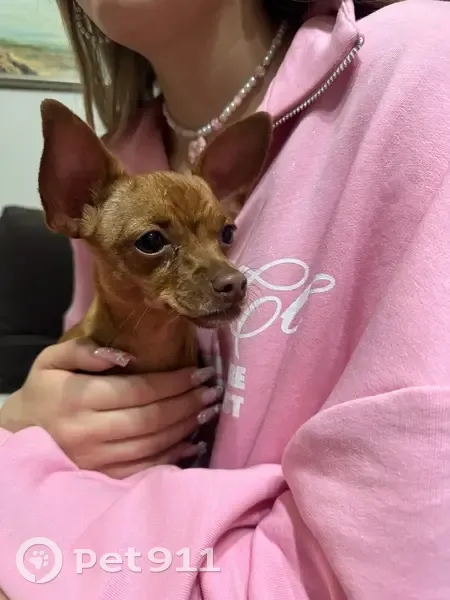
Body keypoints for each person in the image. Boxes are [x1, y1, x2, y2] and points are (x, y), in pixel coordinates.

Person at [1, 0, 450, 597]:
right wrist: (20, 421)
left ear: (235, 196)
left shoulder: (419, 65)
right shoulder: (116, 169)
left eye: (226, 235)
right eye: (153, 243)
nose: (228, 274)